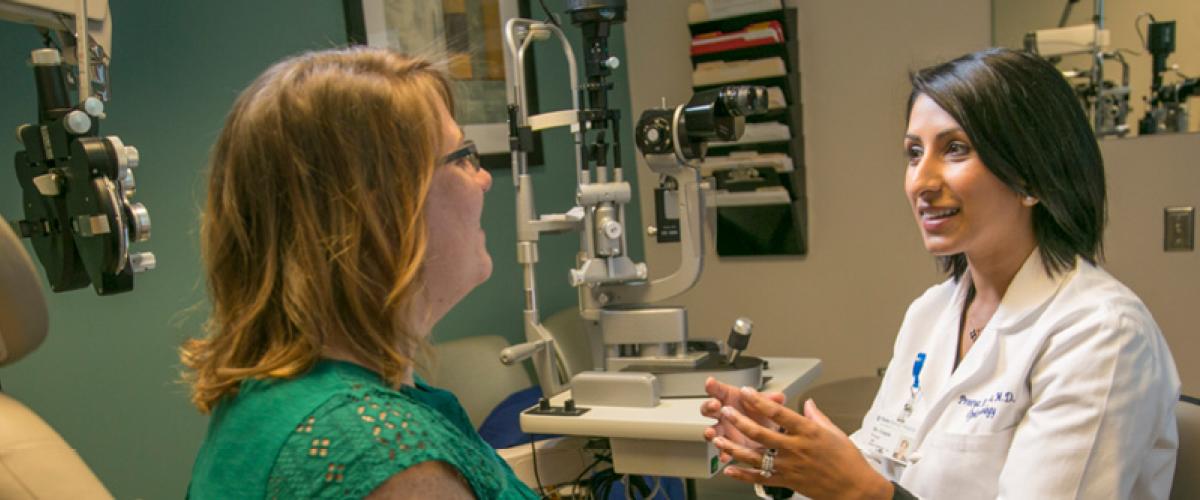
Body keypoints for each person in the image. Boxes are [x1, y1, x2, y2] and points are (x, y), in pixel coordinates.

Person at [701, 47, 1180, 499]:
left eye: (955, 149)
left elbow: (867, 488)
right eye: (914, 152)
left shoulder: (1101, 334)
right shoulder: (932, 313)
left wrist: (860, 491)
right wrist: (788, 459)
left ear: (1032, 176)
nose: (922, 182)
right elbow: (877, 461)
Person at [182, 47, 537, 499]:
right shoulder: (382, 458)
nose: (483, 179)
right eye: (463, 155)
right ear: (381, 211)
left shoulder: (275, 399)